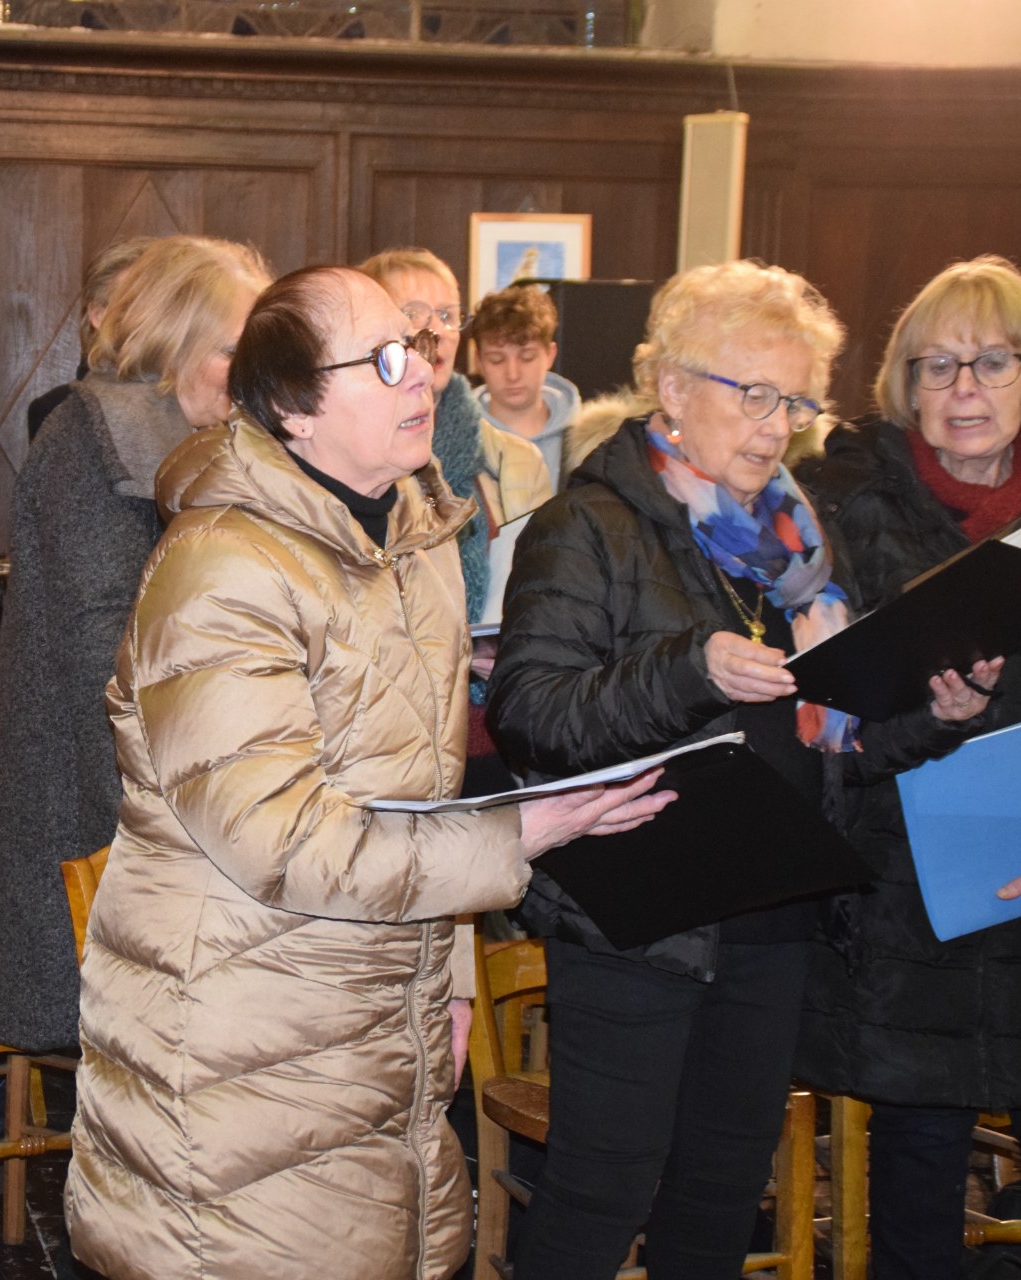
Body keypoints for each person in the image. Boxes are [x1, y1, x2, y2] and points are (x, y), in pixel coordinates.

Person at [64, 266, 672, 1280]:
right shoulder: (223, 563)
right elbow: (279, 836)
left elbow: (416, 795)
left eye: (426, 350)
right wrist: (526, 832)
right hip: (238, 1044)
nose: (424, 376)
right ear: (297, 405)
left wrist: (455, 963)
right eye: (386, 359)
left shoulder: (411, 541)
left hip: (377, 1017)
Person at [486, 259, 999, 1279]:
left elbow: (830, 737)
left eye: (798, 399)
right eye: (753, 393)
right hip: (641, 915)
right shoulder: (588, 525)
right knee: (602, 1190)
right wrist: (689, 667)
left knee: (724, 1192)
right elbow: (531, 715)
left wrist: (934, 719)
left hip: (773, 916)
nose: (778, 425)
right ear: (672, 385)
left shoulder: (796, 539)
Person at [794, 255, 1021, 1278]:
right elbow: (820, 710)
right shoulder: (839, 504)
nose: (963, 389)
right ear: (903, 381)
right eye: (935, 364)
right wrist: (916, 712)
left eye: (990, 362)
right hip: (911, 895)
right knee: (916, 1172)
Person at [0, 234, 270, 1053]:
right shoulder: (91, 436)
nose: (247, 373)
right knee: (132, 1057)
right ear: (174, 340)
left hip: (186, 777)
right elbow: (101, 643)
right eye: (231, 351)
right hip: (98, 785)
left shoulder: (220, 439)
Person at [358, 249, 550, 795]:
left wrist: (514, 643)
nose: (434, 331)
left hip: (494, 733)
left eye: (447, 315)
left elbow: (542, 591)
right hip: (384, 739)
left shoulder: (516, 461)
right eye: (413, 312)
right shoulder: (350, 459)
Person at [25, 235, 155, 441]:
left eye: (164, 307)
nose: (152, 318)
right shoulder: (60, 409)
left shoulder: (197, 401)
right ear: (98, 315)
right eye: (136, 304)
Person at [468, 282, 582, 490]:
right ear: (479, 362)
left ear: (550, 355)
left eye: (527, 357)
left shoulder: (585, 437)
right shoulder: (459, 436)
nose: (513, 374)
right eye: (497, 360)